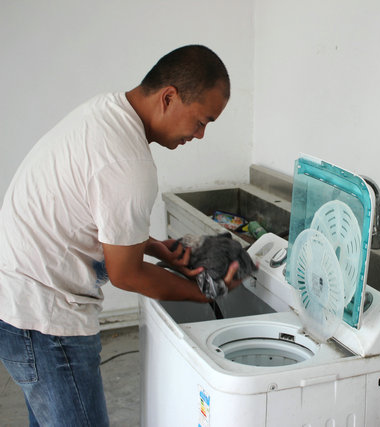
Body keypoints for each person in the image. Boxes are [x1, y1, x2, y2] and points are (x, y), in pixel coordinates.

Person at [0, 45, 240, 426]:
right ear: (168, 97)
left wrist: (155, 247)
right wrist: (202, 292)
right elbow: (126, 274)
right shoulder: (129, 163)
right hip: (45, 321)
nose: (200, 135)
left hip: (18, 300)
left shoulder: (105, 112)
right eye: (200, 121)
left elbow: (92, 213)